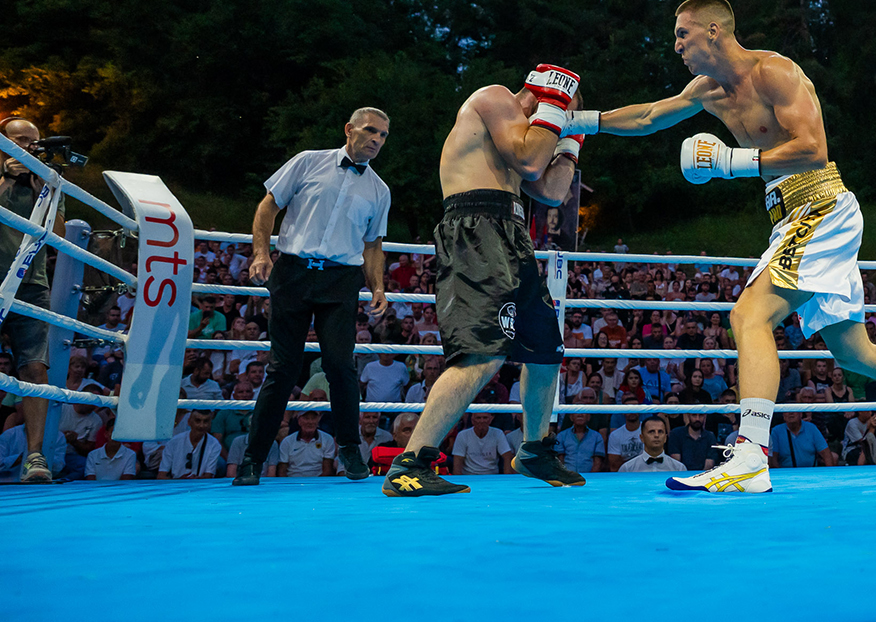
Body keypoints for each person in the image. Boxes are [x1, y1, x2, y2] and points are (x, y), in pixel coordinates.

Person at [566, 0, 876, 492]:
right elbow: (650, 116)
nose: (676, 45)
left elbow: (814, 148)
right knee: (852, 351)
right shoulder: (707, 89)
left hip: (820, 205)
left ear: (714, 31)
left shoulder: (775, 72)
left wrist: (731, 163)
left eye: (683, 34)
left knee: (749, 316)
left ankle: (750, 456)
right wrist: (579, 122)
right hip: (790, 215)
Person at [381, 68, 585, 497]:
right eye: (559, 114)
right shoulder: (495, 98)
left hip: (513, 233)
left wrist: (570, 146)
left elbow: (551, 192)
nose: (557, 126)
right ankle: (409, 464)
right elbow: (531, 162)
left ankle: (534, 450)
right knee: (482, 352)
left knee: (546, 351)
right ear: (543, 96)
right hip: (474, 226)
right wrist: (554, 110)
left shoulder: (521, 136)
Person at [235, 108, 394, 487]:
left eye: (384, 135)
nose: (377, 139)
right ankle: (253, 459)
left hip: (341, 280)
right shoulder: (308, 161)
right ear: (349, 129)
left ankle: (350, 449)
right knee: (282, 368)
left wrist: (378, 286)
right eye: (371, 130)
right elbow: (268, 205)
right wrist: (261, 253)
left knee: (340, 365)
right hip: (293, 272)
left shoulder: (379, 190)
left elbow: (373, 245)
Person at [0, 116, 63, 483]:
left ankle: (35, 457)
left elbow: (59, 237)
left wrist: (44, 190)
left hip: (31, 283)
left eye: (34, 141)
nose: (30, 147)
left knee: (35, 369)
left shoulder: (49, 180)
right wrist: (5, 176)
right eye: (21, 140)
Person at [157, 409, 222, 480]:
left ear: (210, 423)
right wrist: (179, 480)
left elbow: (208, 477)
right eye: (197, 421)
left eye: (205, 421)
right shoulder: (173, 442)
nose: (201, 425)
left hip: (199, 485)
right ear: (189, 422)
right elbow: (161, 476)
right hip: (176, 484)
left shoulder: (214, 445)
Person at [618, 418, 685, 472]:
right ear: (642, 438)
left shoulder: (679, 468)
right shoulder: (627, 469)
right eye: (651, 432)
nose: (656, 435)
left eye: (660, 432)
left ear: (665, 438)